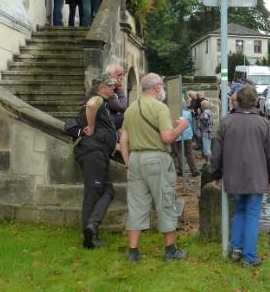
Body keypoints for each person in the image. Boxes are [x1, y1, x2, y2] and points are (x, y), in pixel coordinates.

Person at [119, 73, 189, 262]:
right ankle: (170, 251)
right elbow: (167, 137)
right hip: (156, 159)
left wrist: (127, 164)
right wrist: (182, 127)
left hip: (134, 159)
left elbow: (123, 140)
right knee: (165, 202)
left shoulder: (130, 109)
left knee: (136, 205)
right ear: (157, 87)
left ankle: (133, 252)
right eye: (162, 86)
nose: (163, 89)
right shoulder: (160, 108)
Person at [210, 84, 270, 267]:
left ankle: (237, 249)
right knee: (252, 214)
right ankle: (250, 256)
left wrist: (216, 174)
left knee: (240, 211)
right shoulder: (263, 123)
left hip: (233, 176)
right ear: (255, 101)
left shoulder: (226, 122)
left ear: (237, 101)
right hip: (256, 177)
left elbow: (216, 152)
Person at [74, 73, 118, 249]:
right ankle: (90, 235)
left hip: (96, 153)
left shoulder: (99, 102)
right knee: (94, 192)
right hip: (93, 153)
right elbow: (92, 105)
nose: (113, 88)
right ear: (101, 88)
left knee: (107, 190)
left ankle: (91, 227)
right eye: (110, 85)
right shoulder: (96, 99)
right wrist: (91, 127)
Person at [174, 101, 200, 178]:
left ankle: (182, 171)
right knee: (189, 153)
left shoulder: (174, 114)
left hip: (178, 135)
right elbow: (190, 122)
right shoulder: (188, 113)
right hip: (188, 134)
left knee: (179, 153)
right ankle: (194, 170)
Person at [105, 62, 128, 130]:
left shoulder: (113, 88)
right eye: (119, 75)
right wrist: (120, 89)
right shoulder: (107, 88)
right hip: (106, 123)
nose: (122, 78)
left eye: (123, 75)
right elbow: (122, 108)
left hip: (109, 120)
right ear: (109, 76)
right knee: (131, 114)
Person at [199, 99, 214, 168]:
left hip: (206, 132)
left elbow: (205, 120)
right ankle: (208, 163)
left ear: (203, 106)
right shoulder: (210, 111)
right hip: (209, 131)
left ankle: (209, 164)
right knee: (208, 148)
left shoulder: (205, 112)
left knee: (206, 149)